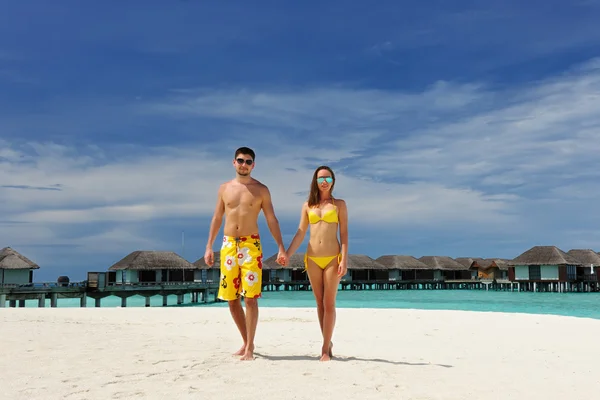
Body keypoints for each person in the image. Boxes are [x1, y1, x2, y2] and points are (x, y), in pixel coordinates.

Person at [204, 146, 288, 361]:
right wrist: (208, 246)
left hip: (251, 246)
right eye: (240, 160)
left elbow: (271, 219)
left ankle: (250, 347)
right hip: (229, 244)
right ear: (234, 162)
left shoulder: (261, 190)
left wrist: (280, 247)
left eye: (248, 161)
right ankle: (246, 341)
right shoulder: (224, 188)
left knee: (250, 298)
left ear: (254, 165)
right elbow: (217, 218)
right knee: (231, 299)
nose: (244, 164)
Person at [285, 165, 348, 361]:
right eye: (321, 178)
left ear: (333, 181)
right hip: (312, 258)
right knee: (319, 304)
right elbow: (300, 233)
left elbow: (344, 234)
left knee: (329, 303)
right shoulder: (307, 206)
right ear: (315, 181)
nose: (324, 182)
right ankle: (327, 341)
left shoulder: (339, 204)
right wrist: (287, 254)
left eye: (328, 179)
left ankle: (324, 348)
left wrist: (344, 259)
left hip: (331, 257)